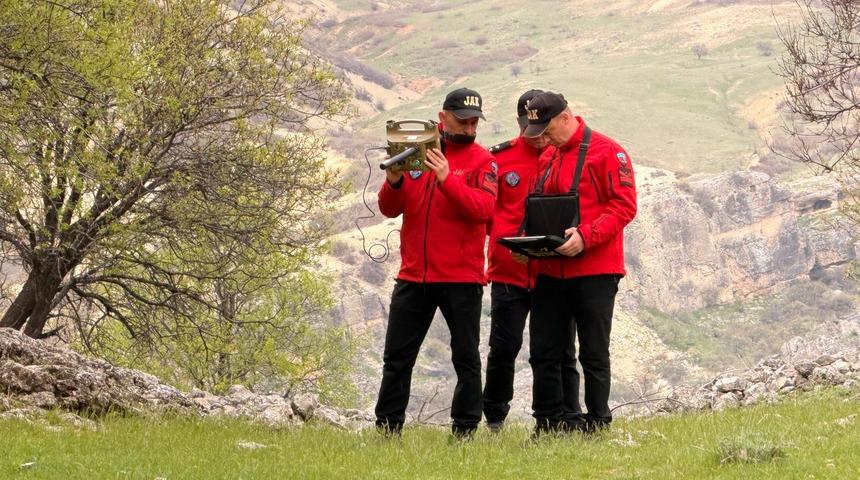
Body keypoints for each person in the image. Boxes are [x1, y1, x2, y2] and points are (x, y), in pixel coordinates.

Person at [374, 87, 497, 439]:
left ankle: (465, 430)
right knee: (397, 357)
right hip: (414, 275)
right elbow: (388, 208)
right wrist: (394, 180)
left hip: (461, 278)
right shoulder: (415, 154)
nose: (470, 128)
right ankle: (387, 428)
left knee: (465, 358)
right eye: (463, 121)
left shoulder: (484, 162)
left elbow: (483, 211)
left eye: (475, 122)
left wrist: (446, 180)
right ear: (442, 118)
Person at [522, 91, 637, 436]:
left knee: (593, 351)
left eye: (546, 128)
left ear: (565, 117)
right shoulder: (548, 156)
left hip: (596, 270)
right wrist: (526, 241)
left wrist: (586, 235)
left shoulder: (607, 151)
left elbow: (624, 206)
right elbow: (540, 208)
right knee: (545, 350)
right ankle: (552, 422)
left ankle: (598, 422)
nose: (542, 136)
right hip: (550, 269)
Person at [483, 89, 582, 431]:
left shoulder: (563, 156)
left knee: (559, 351)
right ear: (520, 123)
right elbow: (486, 213)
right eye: (530, 128)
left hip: (551, 273)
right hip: (508, 272)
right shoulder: (498, 159)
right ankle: (494, 417)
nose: (538, 138)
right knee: (503, 347)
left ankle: (564, 418)